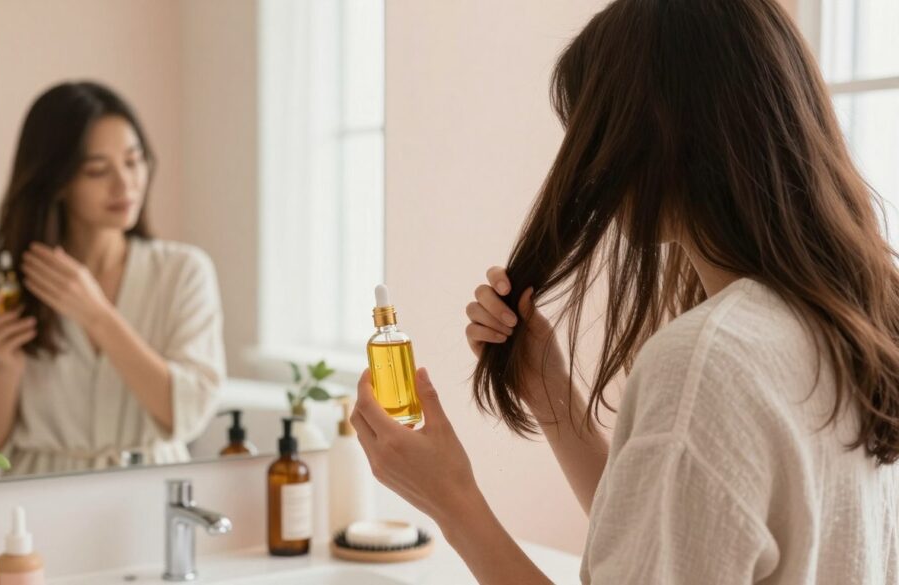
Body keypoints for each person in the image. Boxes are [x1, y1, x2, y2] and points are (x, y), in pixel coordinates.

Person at [351, 1, 899, 583]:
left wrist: (451, 500)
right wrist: (549, 389)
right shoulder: (847, 324)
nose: (592, 170)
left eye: (596, 133)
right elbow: (674, 536)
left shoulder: (709, 360)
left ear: (656, 133)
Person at [0, 81, 226, 475]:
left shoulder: (183, 273)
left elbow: (189, 412)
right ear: (57, 181)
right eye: (97, 170)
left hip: (151, 492)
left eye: (133, 161)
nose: (125, 183)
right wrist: (5, 369)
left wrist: (98, 317)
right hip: (37, 497)